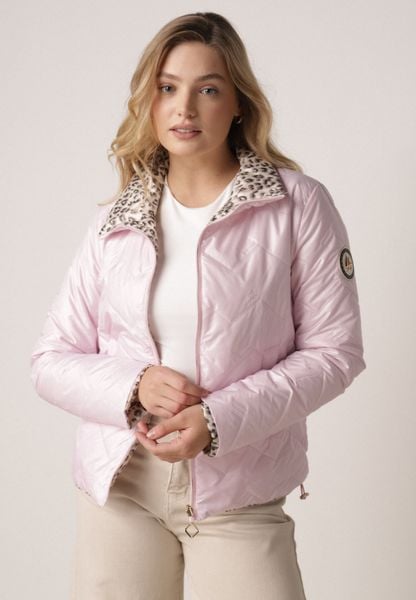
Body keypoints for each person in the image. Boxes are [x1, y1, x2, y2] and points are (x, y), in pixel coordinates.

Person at [30, 11, 365, 600]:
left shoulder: (297, 206)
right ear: (149, 101)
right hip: (122, 488)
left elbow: (336, 353)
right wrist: (134, 384)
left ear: (237, 103)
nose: (184, 108)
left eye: (207, 89)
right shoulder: (116, 219)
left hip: (240, 488)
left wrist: (216, 421)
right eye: (167, 88)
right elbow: (50, 360)